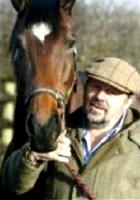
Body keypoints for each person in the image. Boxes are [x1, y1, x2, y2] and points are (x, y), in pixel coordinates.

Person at [1, 57, 140, 199]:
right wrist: (33, 156)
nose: (100, 96)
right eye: (95, 86)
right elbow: (12, 185)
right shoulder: (54, 130)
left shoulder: (136, 145)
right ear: (85, 87)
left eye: (112, 92)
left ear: (129, 101)